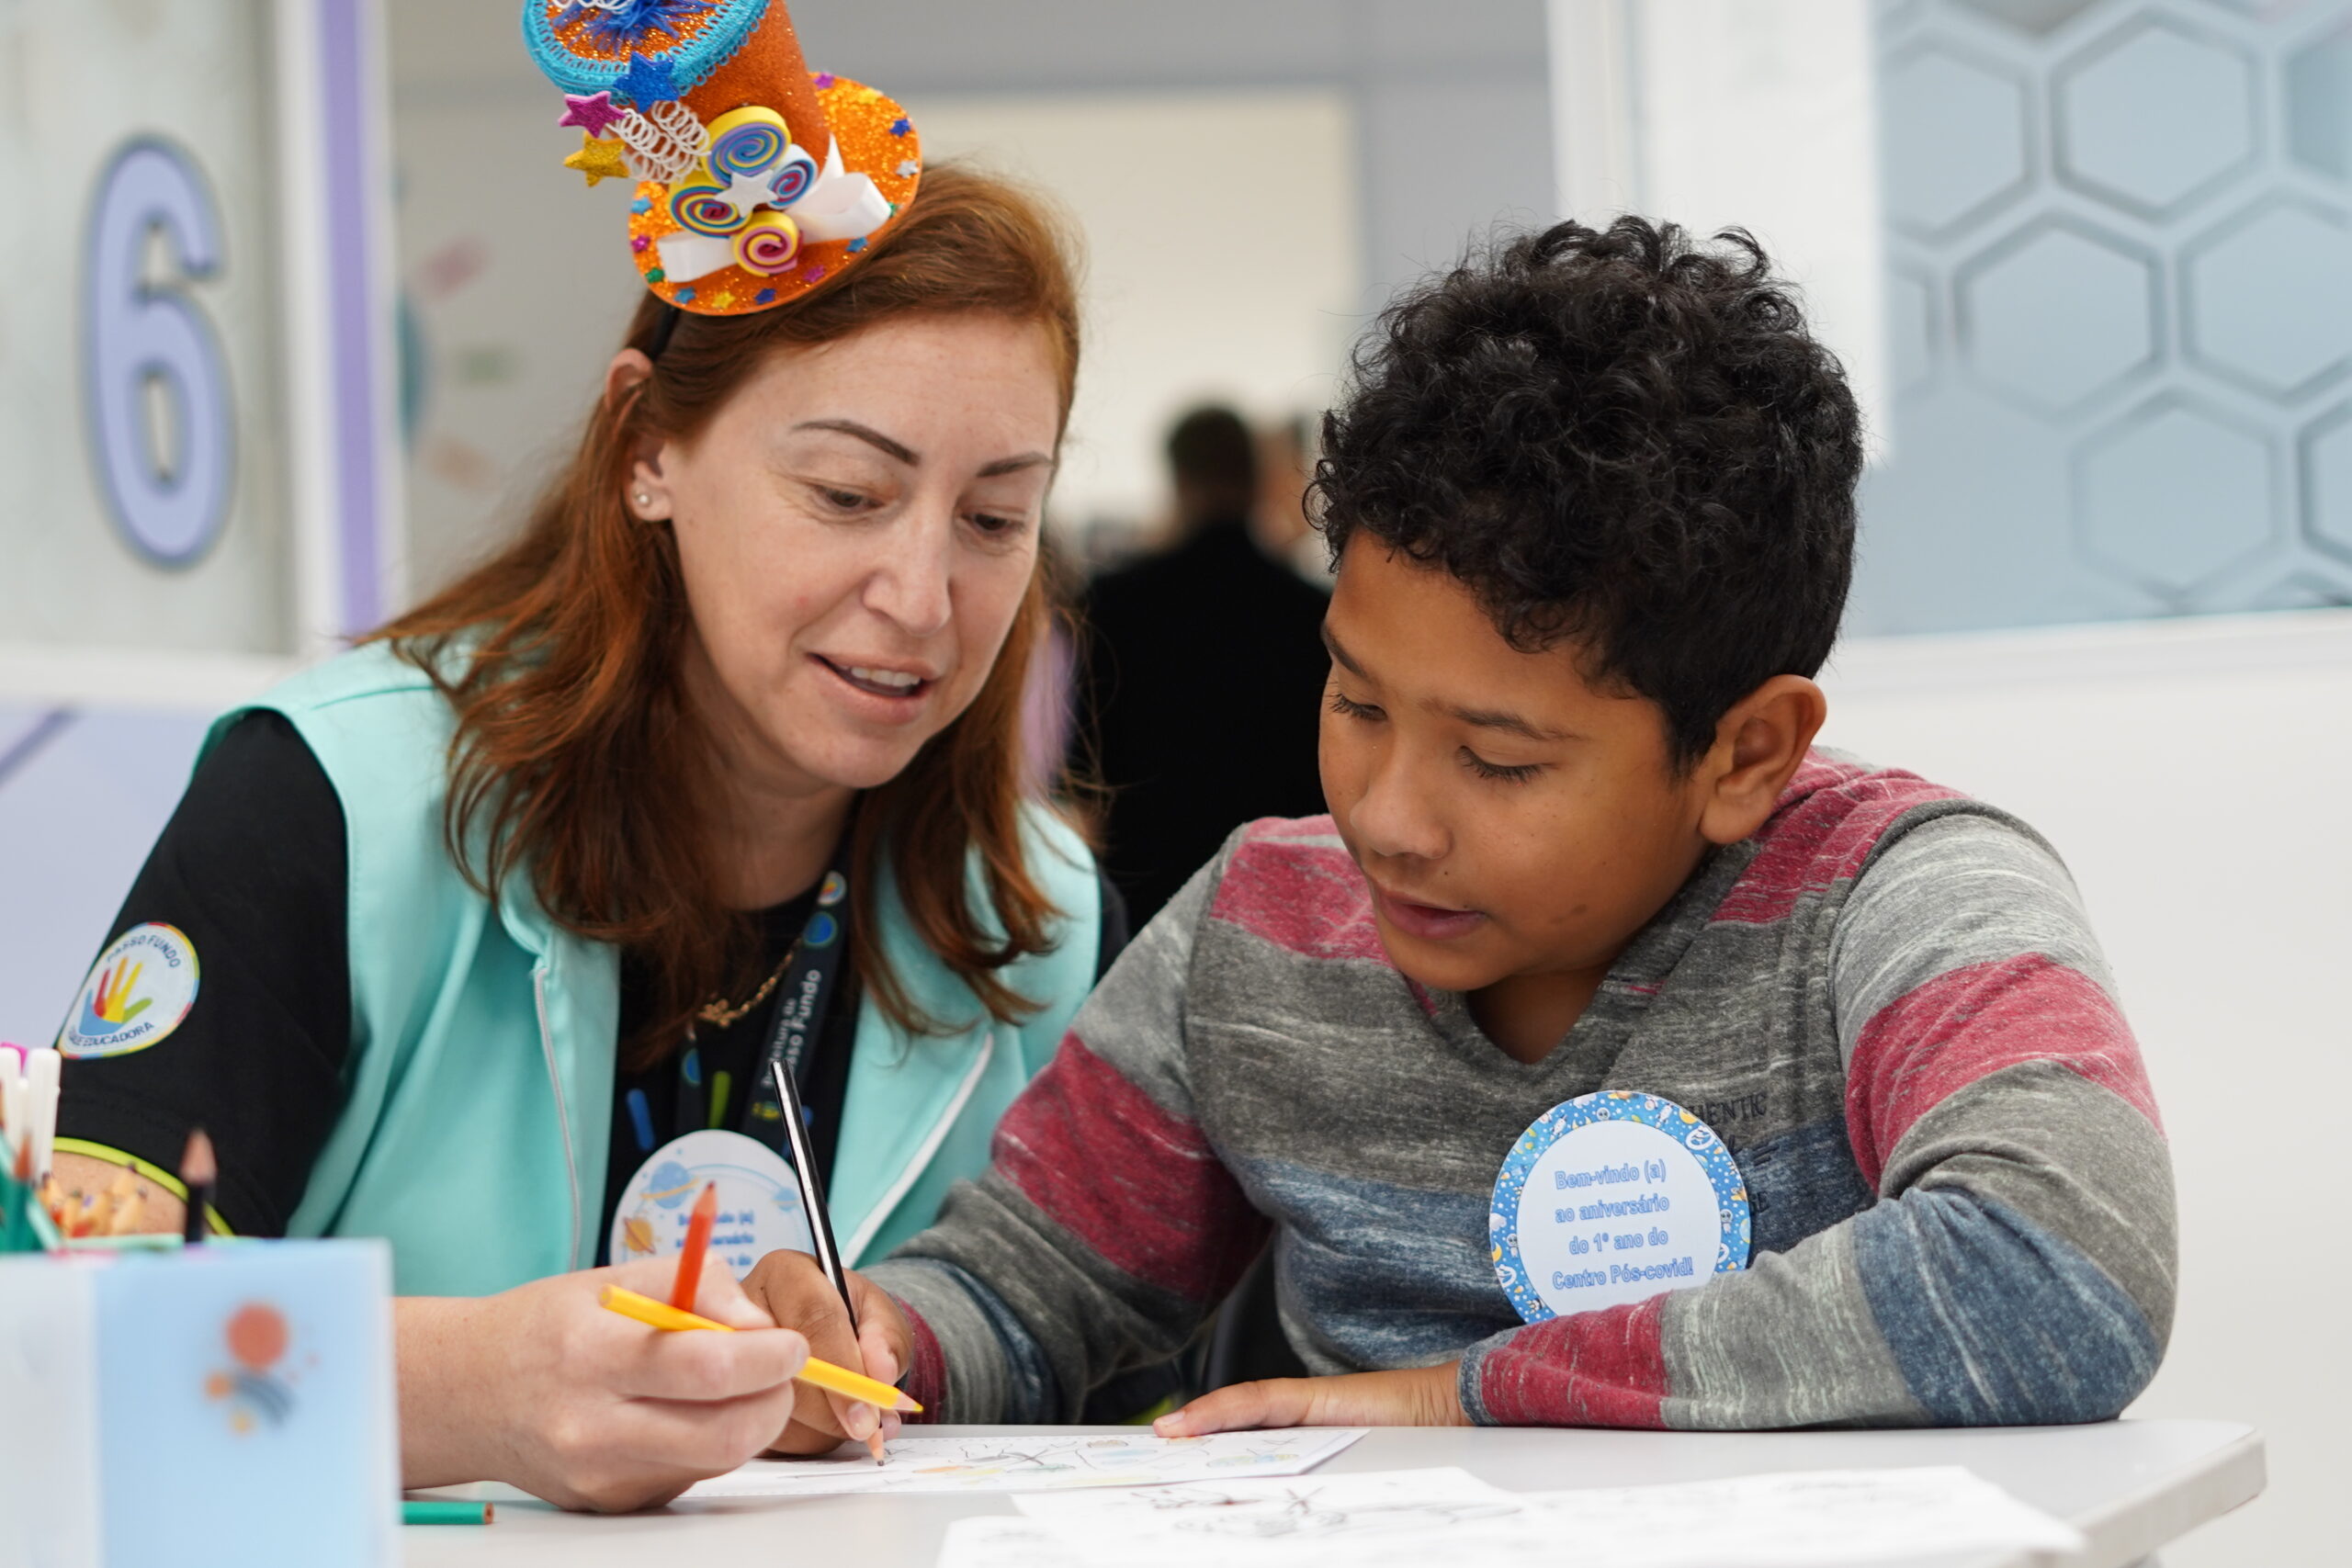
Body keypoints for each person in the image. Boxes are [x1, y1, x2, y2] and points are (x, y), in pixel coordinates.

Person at [747, 217, 2177, 1439]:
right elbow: (1020, 1286)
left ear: (1745, 752)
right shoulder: (1259, 930)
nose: (1384, 818)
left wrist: (1468, 1394)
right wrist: (872, 1345)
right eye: (1357, 701)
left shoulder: (1900, 899)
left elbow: (2064, 1263)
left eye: (1498, 760)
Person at [48, 0, 1115, 1511]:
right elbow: (58, 1351)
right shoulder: (337, 806)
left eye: (997, 517)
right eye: (847, 493)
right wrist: (455, 1396)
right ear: (646, 454)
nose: (926, 598)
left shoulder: (1037, 922)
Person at [1077, 405, 1333, 925]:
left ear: (1178, 478)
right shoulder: (1311, 612)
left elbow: (1086, 761)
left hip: (1147, 882)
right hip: (1278, 887)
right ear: (1257, 478)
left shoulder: (1114, 603)